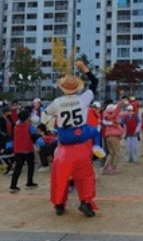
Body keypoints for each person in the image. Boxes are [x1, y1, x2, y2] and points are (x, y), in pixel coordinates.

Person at [46, 60, 103, 217]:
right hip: (81, 141)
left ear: (63, 88)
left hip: (64, 144)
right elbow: (95, 82)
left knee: (60, 176)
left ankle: (59, 204)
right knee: (86, 176)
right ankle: (85, 202)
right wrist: (84, 69)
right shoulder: (83, 99)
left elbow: (47, 113)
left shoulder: (57, 102)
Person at [9, 109, 39, 193]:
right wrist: (39, 136)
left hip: (18, 149)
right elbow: (33, 137)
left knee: (18, 168)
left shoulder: (16, 126)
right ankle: (29, 182)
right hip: (28, 149)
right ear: (27, 118)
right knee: (31, 166)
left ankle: (13, 185)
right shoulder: (30, 126)